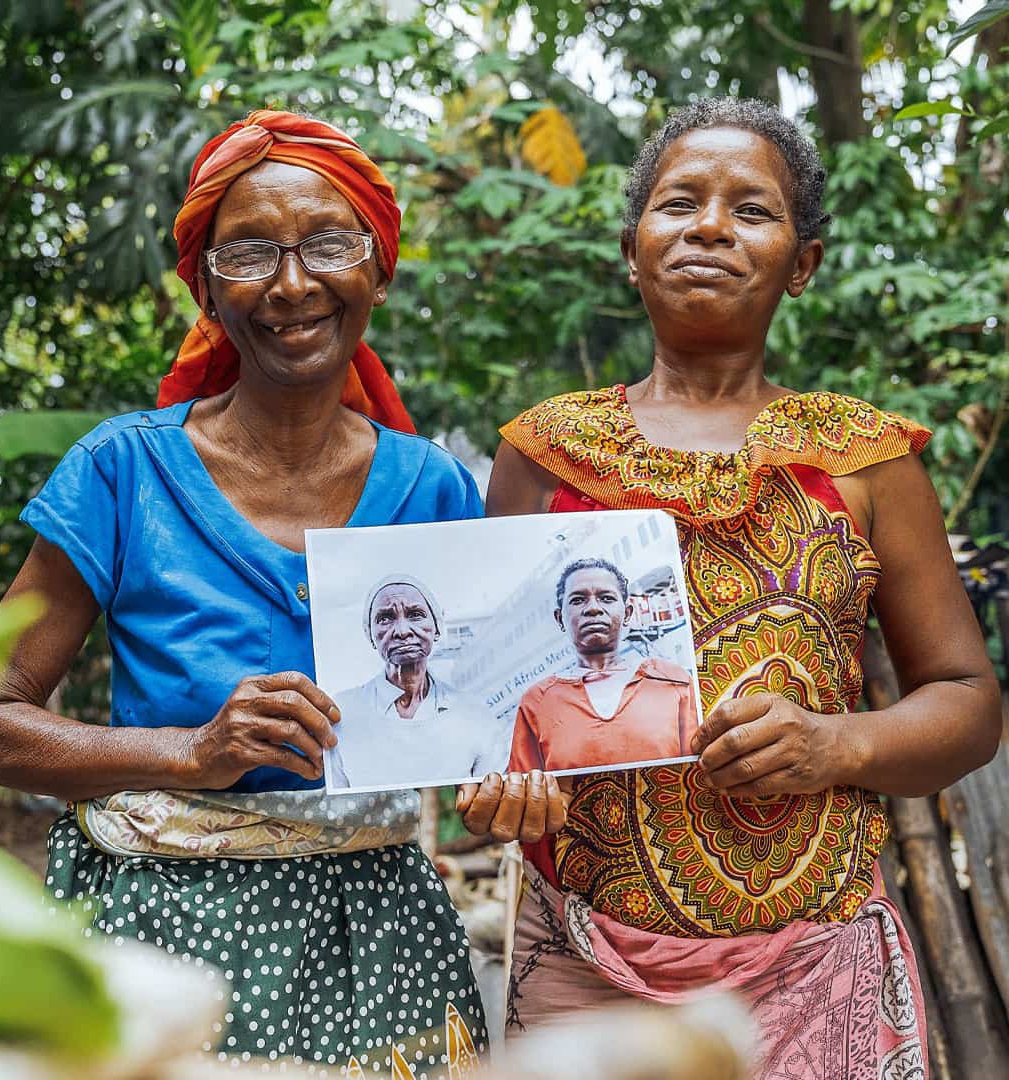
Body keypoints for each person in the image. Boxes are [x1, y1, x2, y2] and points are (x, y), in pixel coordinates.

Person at [0, 110, 563, 1075]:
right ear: (204, 287)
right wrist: (191, 752)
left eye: (328, 244)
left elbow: (482, 735)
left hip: (385, 948)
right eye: (248, 255)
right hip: (161, 941)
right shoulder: (122, 474)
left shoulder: (435, 490)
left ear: (379, 270)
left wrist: (507, 789)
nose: (292, 284)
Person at [486, 99, 1000, 1079]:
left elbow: (969, 702)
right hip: (585, 966)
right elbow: (495, 707)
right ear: (631, 249)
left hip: (819, 967)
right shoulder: (545, 454)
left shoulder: (864, 458)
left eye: (751, 210)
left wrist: (837, 743)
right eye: (679, 203)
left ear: (802, 264)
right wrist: (505, 788)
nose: (711, 228)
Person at [507, 558, 697, 774]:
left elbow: (698, 773)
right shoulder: (537, 701)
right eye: (578, 600)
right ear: (560, 619)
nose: (593, 608)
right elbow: (525, 785)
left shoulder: (673, 681)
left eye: (606, 598)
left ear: (627, 613)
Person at [327, 574, 504, 788]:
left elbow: (490, 797)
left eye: (416, 615)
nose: (402, 631)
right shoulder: (343, 713)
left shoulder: (476, 715)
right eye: (385, 618)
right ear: (370, 634)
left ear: (437, 628)